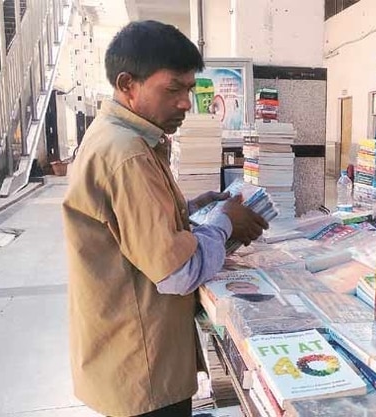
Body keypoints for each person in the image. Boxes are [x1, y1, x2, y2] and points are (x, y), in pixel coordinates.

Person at [61, 21, 268, 417]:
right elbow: (178, 272)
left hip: (124, 357)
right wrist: (225, 221)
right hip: (142, 368)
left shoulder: (117, 137)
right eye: (173, 89)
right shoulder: (129, 154)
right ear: (128, 84)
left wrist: (188, 210)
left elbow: (124, 227)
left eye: (189, 89)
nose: (186, 103)